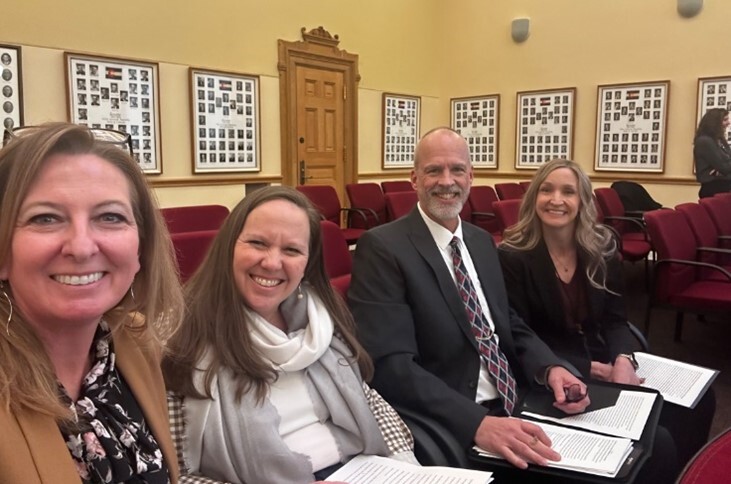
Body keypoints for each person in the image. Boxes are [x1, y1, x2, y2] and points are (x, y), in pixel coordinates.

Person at [348, 127, 591, 474]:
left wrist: (550, 367)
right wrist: (478, 422)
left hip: (518, 398)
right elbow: (391, 366)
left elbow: (505, 323)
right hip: (458, 419)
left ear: (471, 177)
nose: (447, 181)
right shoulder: (383, 248)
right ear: (414, 178)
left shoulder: (480, 242)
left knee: (652, 445)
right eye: (434, 170)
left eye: (457, 170)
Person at [162, 186, 415, 484]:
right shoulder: (180, 336)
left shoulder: (321, 322)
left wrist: (405, 468)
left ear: (308, 263)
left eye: (291, 250)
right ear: (229, 247)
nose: (272, 263)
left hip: (360, 472)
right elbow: (173, 473)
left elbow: (371, 403)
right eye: (258, 243)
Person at [497, 158, 715, 471]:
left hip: (606, 358)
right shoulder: (512, 256)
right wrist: (593, 369)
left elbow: (615, 319)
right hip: (555, 371)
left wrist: (624, 359)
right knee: (659, 443)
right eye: (546, 190)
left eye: (568, 192)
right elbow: (519, 335)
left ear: (583, 201)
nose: (556, 200)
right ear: (534, 198)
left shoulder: (602, 246)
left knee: (701, 402)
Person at [0, 123, 183, 483]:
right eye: (45, 218)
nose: (82, 247)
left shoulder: (133, 344)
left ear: (141, 248)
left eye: (110, 217)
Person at [694, 108, 731, 198]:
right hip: (713, 190)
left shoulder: (720, 140)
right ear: (715, 122)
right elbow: (723, 167)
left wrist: (720, 170)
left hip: (724, 187)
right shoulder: (705, 141)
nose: (728, 123)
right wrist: (722, 169)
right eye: (725, 120)